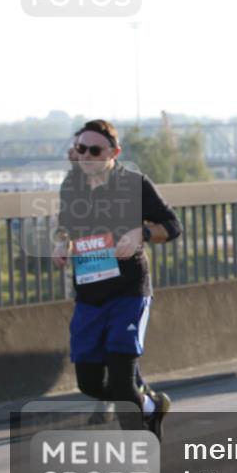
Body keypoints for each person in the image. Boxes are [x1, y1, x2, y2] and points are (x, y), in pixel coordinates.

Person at [52, 120, 180, 440]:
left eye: (95, 150)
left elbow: (173, 226)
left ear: (114, 153)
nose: (86, 156)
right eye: (81, 149)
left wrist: (143, 232)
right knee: (89, 383)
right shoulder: (71, 185)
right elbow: (65, 225)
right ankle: (148, 404)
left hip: (129, 292)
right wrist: (61, 243)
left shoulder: (134, 184)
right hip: (90, 295)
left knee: (123, 383)